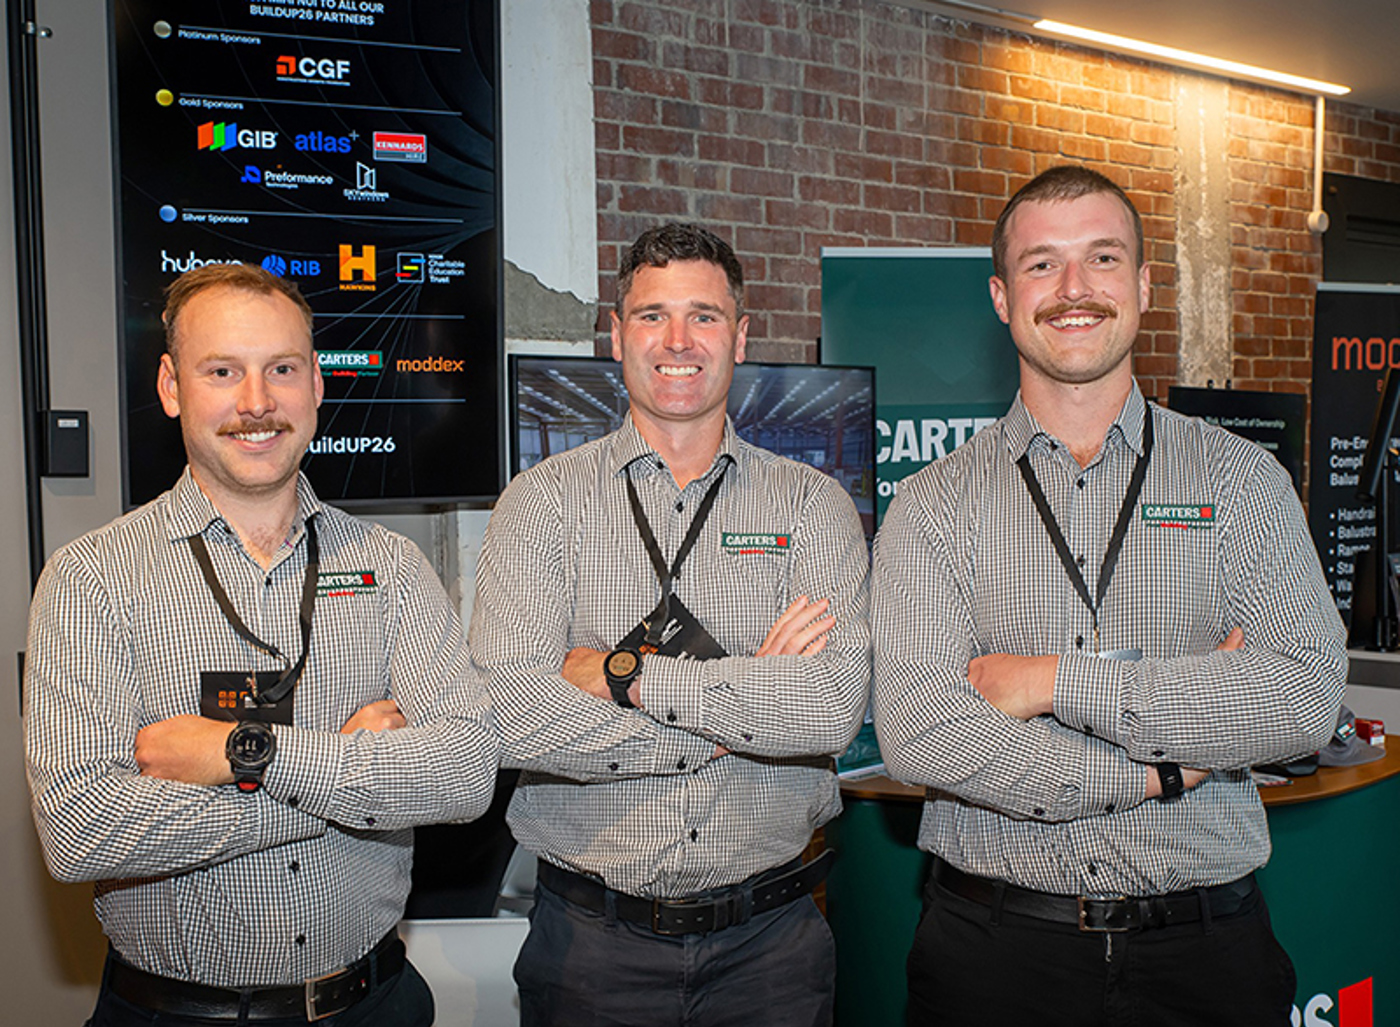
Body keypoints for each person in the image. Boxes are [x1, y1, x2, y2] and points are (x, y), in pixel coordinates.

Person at [871, 165, 1346, 1027]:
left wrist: (1055, 681)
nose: (1074, 288)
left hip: (1207, 956)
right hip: (994, 956)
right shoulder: (932, 503)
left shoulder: (1242, 480)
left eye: (1101, 257)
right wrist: (1162, 768)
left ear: (1143, 284)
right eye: (1041, 264)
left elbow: (1302, 696)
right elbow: (924, 734)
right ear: (1002, 297)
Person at [24, 262, 498, 1027]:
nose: (256, 402)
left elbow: (467, 772)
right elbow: (82, 830)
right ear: (172, 387)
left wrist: (243, 754)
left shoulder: (392, 568)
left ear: (317, 384)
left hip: (376, 1004)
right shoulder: (91, 579)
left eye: (281, 368)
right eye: (222, 371)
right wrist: (350, 781)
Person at [469, 222, 870, 1027]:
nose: (678, 340)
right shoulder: (541, 504)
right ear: (617, 335)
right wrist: (740, 707)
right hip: (590, 948)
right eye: (653, 315)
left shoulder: (813, 504)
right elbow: (509, 718)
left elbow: (829, 710)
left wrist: (623, 675)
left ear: (740, 336)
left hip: (772, 949)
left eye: (704, 316)